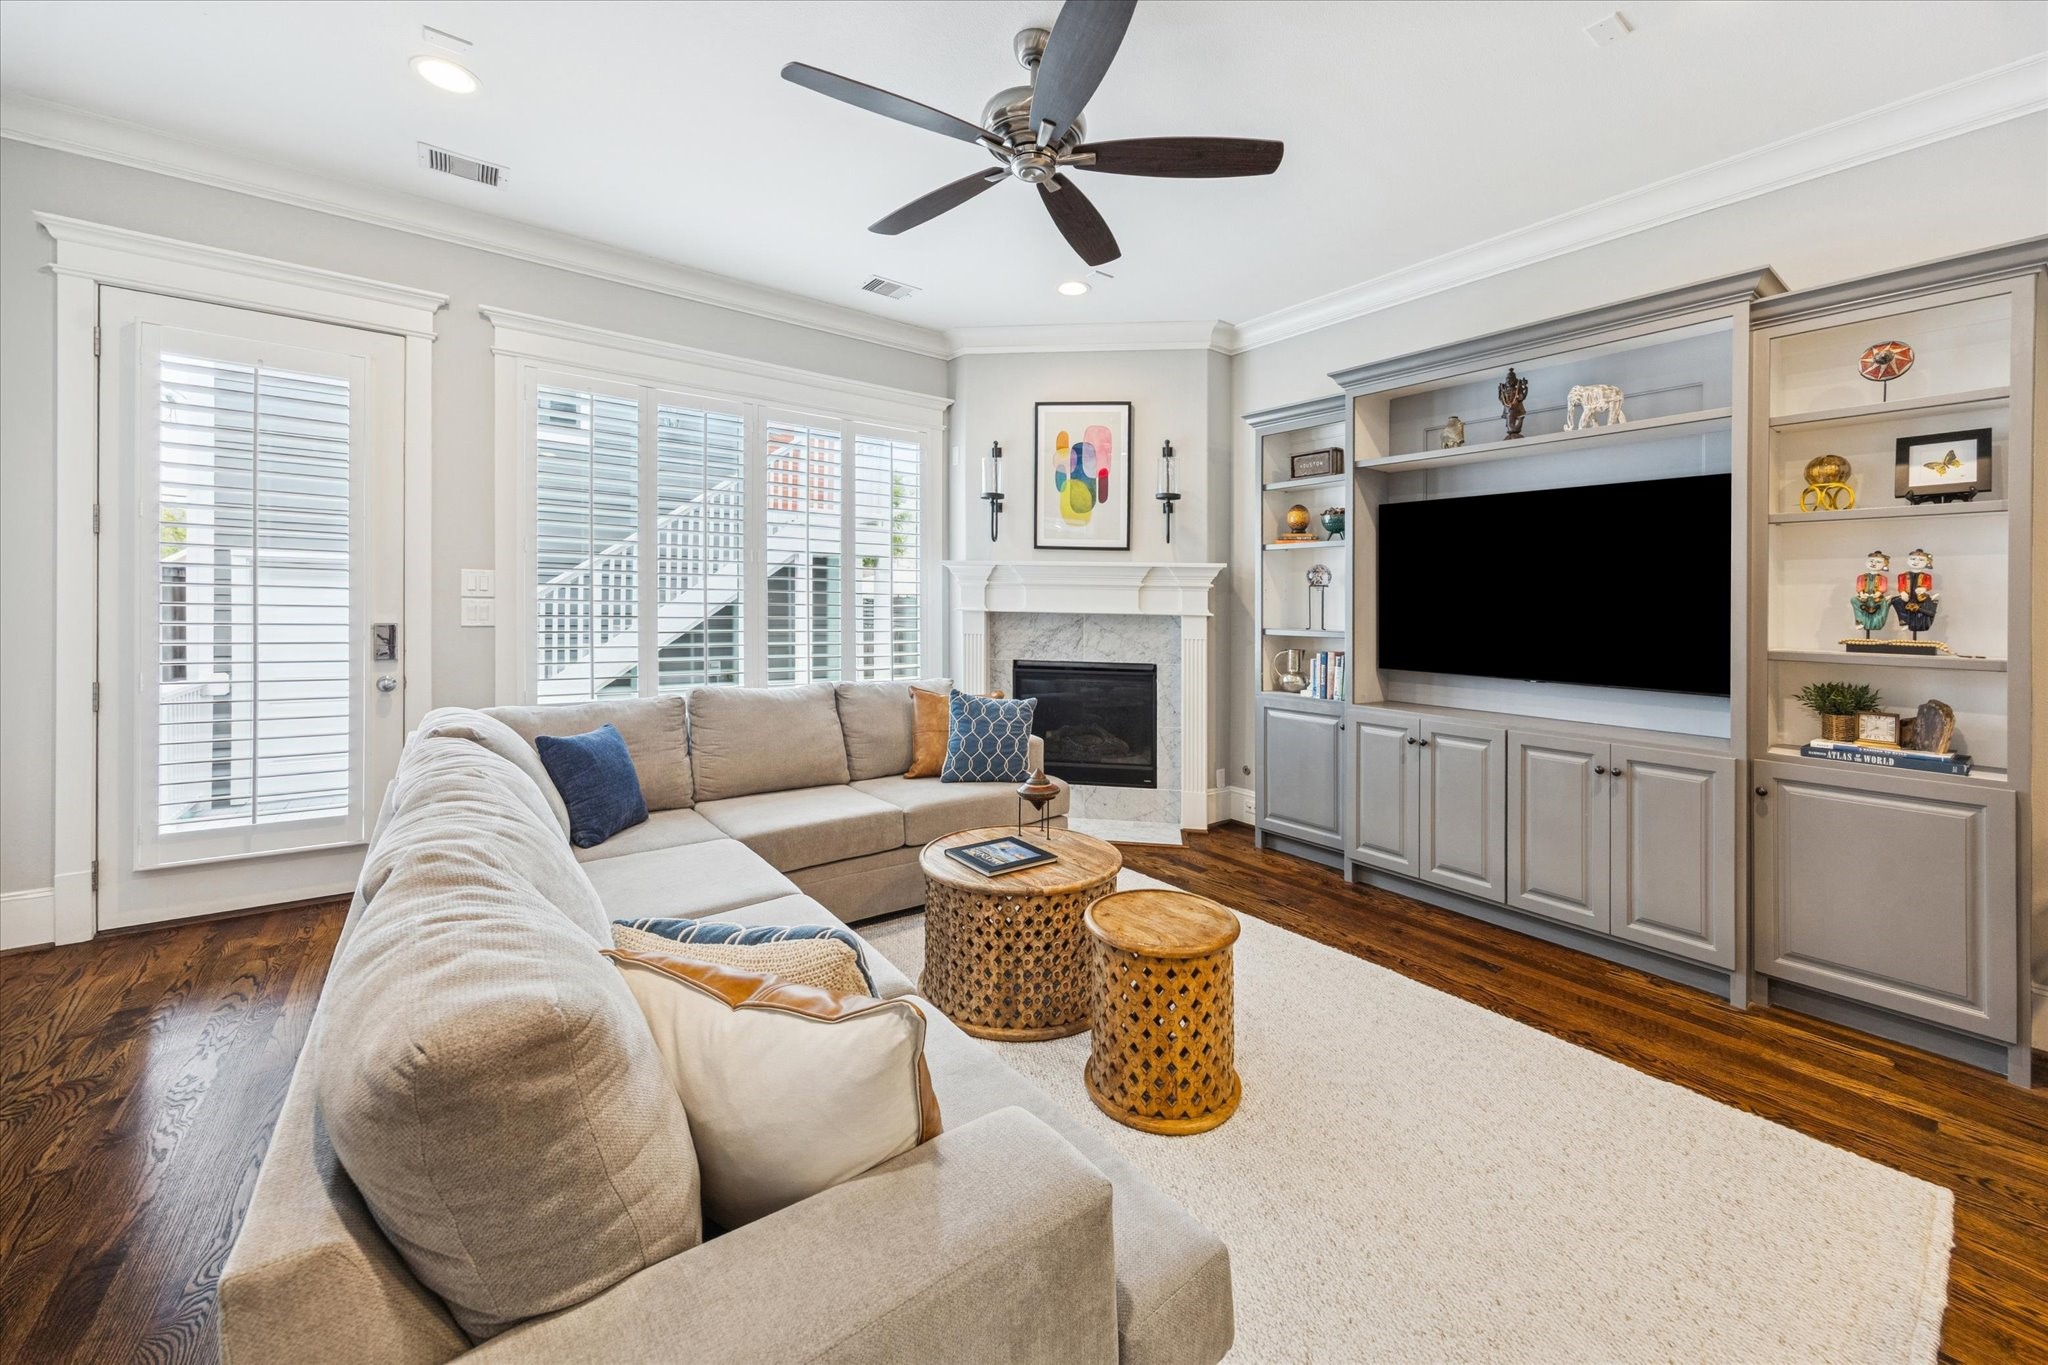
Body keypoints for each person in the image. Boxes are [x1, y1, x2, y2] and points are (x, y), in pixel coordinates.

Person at [1892, 548, 1939, 636]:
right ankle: (1904, 620)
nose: (1916, 562)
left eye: (1921, 560)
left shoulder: (1927, 576)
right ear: (1908, 560)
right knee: (1896, 600)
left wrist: (1923, 589)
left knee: (1927, 602)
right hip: (1907, 597)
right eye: (1913, 559)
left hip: (1920, 597)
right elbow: (1901, 586)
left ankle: (1921, 621)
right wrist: (1902, 592)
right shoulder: (1902, 576)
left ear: (1927, 562)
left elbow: (1928, 585)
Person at [1851, 549, 1891, 637]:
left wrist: (1878, 593)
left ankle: (1877, 622)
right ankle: (1859, 621)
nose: (1874, 563)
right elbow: (1859, 587)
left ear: (1883, 564)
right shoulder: (1861, 577)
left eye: (1878, 562)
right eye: (1871, 561)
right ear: (1867, 562)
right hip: (1864, 597)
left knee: (1884, 602)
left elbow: (1883, 588)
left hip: (1876, 597)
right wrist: (1862, 594)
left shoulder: (1883, 578)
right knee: (1854, 600)